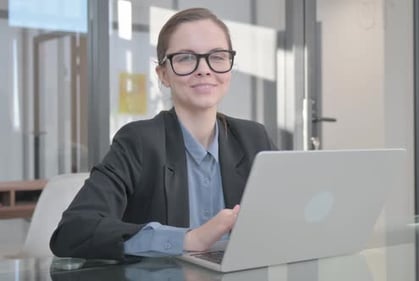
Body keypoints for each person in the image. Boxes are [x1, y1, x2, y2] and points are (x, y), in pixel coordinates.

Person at [50, 7, 276, 260]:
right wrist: (188, 239)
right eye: (186, 58)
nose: (204, 69)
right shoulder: (138, 142)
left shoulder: (254, 138)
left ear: (229, 68)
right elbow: (73, 231)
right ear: (163, 74)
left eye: (218, 56)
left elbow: (290, 217)